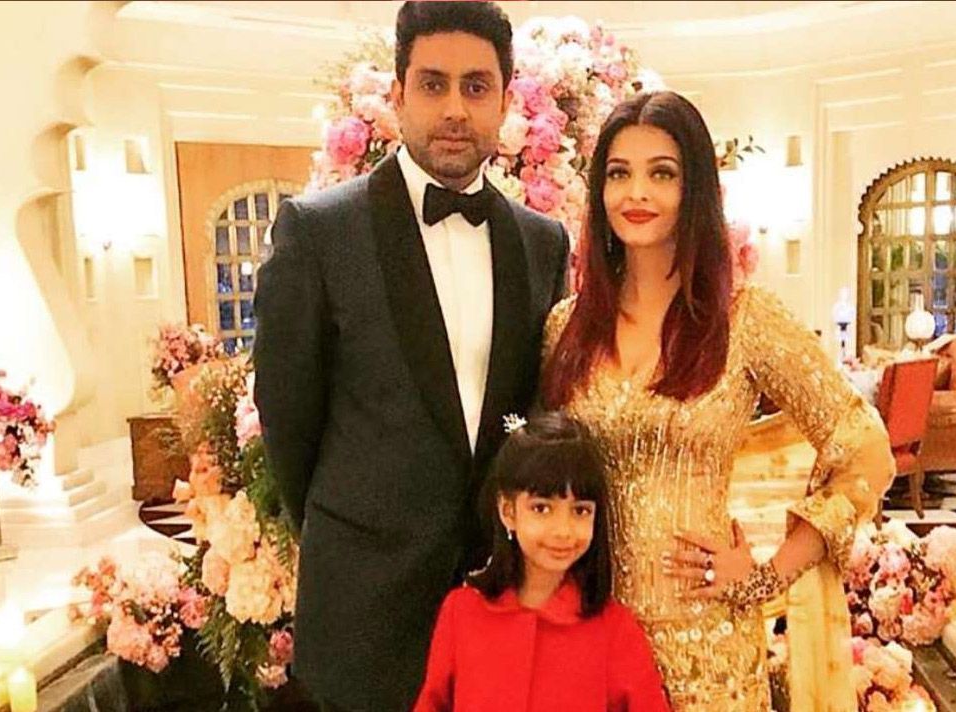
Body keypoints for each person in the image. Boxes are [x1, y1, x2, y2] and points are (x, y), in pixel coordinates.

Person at [252, 2, 569, 709]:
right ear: (398, 96)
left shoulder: (541, 243)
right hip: (364, 612)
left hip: (498, 604)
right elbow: (288, 423)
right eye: (433, 84)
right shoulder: (320, 232)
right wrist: (360, 529)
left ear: (505, 103)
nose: (455, 108)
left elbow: (534, 415)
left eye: (476, 87)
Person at [541, 91, 895, 711]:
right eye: (619, 174)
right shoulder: (567, 328)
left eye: (662, 174)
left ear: (695, 190)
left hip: (707, 650)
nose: (636, 193)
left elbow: (865, 449)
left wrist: (767, 576)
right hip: (588, 637)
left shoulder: (743, 321)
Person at [414, 412, 672, 712]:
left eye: (580, 511)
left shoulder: (615, 629)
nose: (563, 531)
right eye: (541, 508)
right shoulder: (461, 613)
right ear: (508, 511)